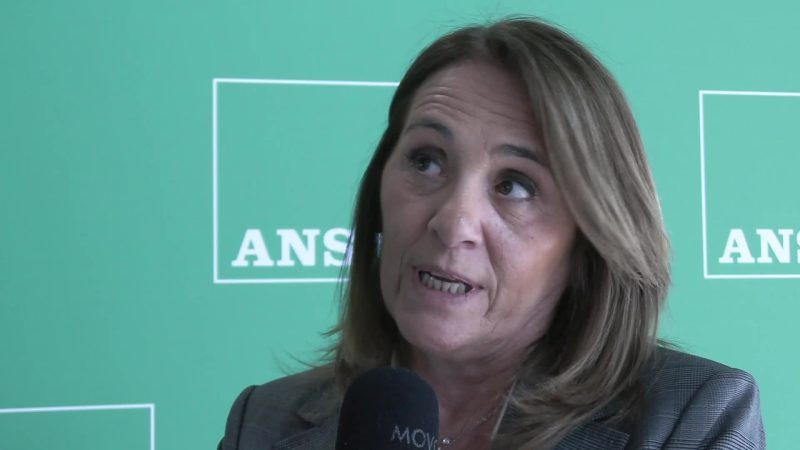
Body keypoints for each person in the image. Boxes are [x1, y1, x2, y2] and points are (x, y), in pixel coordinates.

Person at [219, 17, 766, 450]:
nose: (452, 222)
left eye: (515, 186)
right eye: (427, 161)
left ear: (589, 240)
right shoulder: (263, 422)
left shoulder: (691, 420)